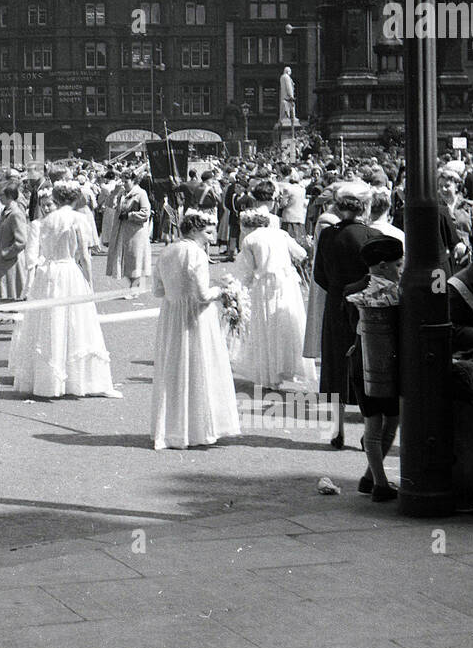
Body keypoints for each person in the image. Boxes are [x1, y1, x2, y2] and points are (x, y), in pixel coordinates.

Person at [11, 180, 121, 399]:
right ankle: (79, 379)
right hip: (69, 270)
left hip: (48, 272)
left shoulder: (44, 221)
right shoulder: (79, 219)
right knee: (77, 322)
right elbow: (84, 255)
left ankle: (47, 380)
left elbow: (39, 250)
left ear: (58, 198)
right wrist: (90, 283)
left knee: (49, 321)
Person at [150, 209, 240, 449]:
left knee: (175, 369)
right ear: (194, 230)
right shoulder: (197, 254)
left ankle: (172, 429)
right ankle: (198, 429)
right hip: (195, 318)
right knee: (199, 367)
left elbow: (158, 291)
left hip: (171, 315)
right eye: (208, 232)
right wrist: (222, 291)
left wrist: (176, 293)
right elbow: (201, 296)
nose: (211, 238)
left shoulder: (167, 251)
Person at [313, 182, 373, 450]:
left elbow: (318, 275)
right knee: (365, 365)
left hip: (336, 303)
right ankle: (367, 430)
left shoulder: (328, 235)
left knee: (336, 365)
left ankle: (337, 431)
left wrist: (338, 289)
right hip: (363, 305)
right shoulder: (370, 235)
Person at [345, 236, 403, 501]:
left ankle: (371, 477)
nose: (400, 270)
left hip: (363, 359)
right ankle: (379, 483)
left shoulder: (351, 289)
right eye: (397, 265)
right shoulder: (393, 292)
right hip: (377, 361)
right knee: (380, 422)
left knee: (382, 420)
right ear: (382, 266)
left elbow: (346, 327)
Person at [233, 206, 310, 389]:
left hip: (265, 285)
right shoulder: (281, 234)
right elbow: (302, 253)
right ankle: (289, 367)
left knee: (267, 326)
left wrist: (242, 288)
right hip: (286, 283)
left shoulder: (250, 240)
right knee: (287, 323)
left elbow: (248, 269)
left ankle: (270, 374)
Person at [0, 180, 29, 299]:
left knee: (11, 293)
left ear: (10, 195)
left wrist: (5, 253)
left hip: (11, 263)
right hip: (2, 263)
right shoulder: (4, 212)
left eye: (1, 195)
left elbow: (21, 241)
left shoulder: (16, 214)